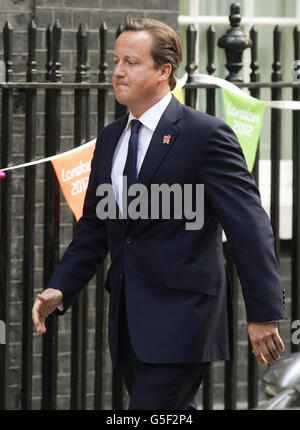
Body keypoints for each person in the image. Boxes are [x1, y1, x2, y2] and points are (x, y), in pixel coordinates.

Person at [32, 17, 288, 410]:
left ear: (164, 71)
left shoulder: (205, 135)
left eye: (131, 62)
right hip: (129, 320)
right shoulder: (111, 137)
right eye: (116, 60)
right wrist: (61, 287)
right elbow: (96, 227)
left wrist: (264, 313)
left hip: (184, 320)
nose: (117, 71)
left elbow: (248, 226)